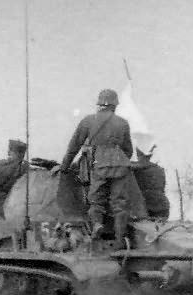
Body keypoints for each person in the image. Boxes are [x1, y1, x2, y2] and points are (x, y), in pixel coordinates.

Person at [54, 88, 133, 246]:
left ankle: (97, 225)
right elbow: (128, 150)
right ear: (114, 105)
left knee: (95, 200)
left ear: (99, 104)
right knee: (119, 204)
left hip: (100, 164)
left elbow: (74, 146)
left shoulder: (89, 121)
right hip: (121, 165)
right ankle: (119, 241)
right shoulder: (123, 123)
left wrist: (64, 167)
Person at [132, 147, 170, 220]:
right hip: (163, 207)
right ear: (150, 155)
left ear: (138, 154)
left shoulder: (133, 168)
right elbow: (162, 188)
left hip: (144, 208)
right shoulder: (160, 169)